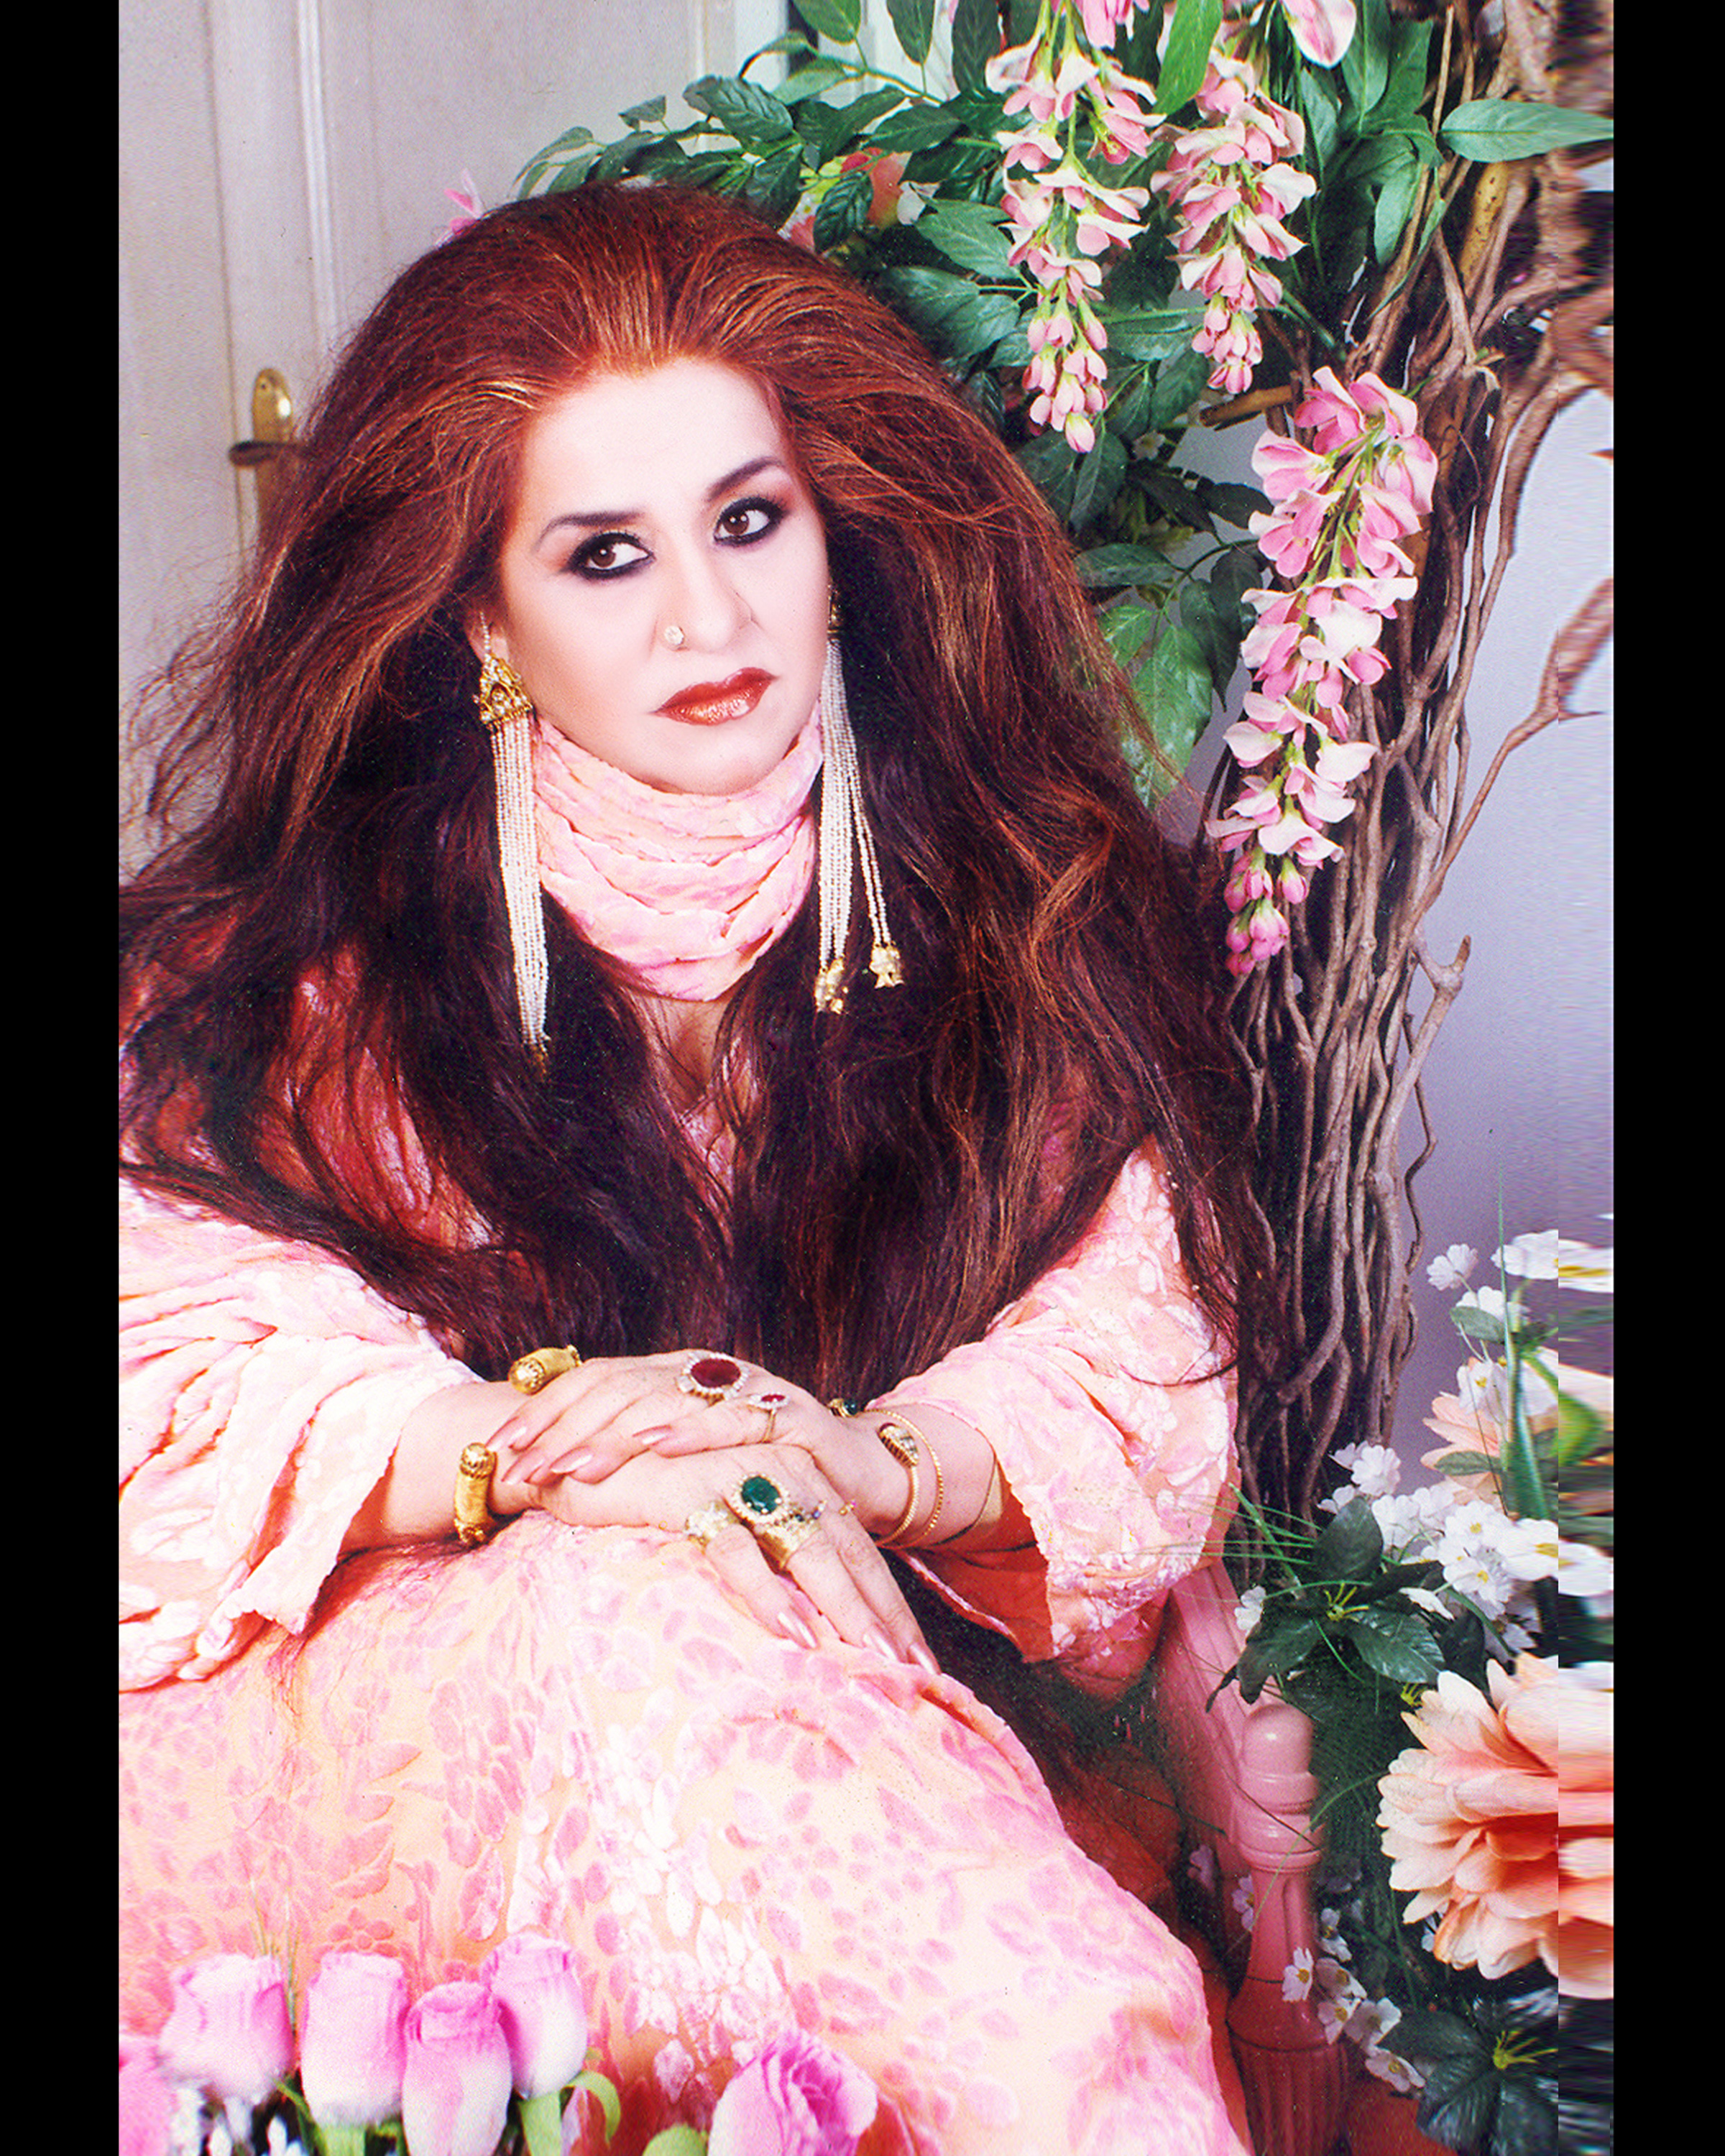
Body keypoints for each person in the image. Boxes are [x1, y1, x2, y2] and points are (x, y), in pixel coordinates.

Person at [120, 180, 1264, 2153]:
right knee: (622, 1591)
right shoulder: (285, 968)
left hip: (846, 1736)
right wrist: (545, 1453)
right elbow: (178, 1358)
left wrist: (853, 1463)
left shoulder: (1027, 909)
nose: (707, 620)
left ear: (837, 540)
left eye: (749, 522)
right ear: (483, 617)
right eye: (603, 554)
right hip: (377, 1750)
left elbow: (1131, 1350)